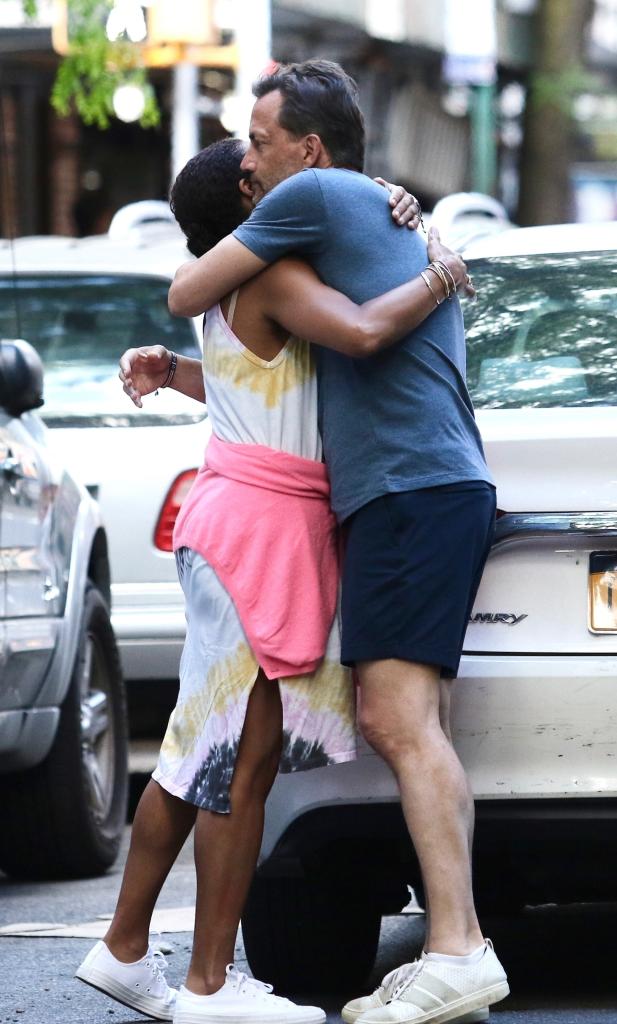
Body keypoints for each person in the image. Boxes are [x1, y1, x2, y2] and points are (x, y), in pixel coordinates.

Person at [75, 136, 473, 1024]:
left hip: (233, 524)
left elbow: (254, 388)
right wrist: (441, 270)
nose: (277, 181)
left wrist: (388, 198)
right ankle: (210, 985)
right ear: (250, 206)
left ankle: (125, 948)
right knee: (238, 763)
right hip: (258, 535)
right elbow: (367, 332)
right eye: (259, 174)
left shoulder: (238, 286)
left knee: (193, 755)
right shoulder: (273, 280)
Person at [168, 61, 509, 1024]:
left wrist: (438, 264)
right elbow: (294, 379)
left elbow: (187, 287)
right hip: (421, 487)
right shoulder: (360, 208)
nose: (248, 159)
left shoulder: (315, 195)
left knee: (399, 723)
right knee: (415, 722)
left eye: (260, 141)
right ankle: (459, 944)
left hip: (410, 489)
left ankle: (457, 948)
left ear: (309, 152)